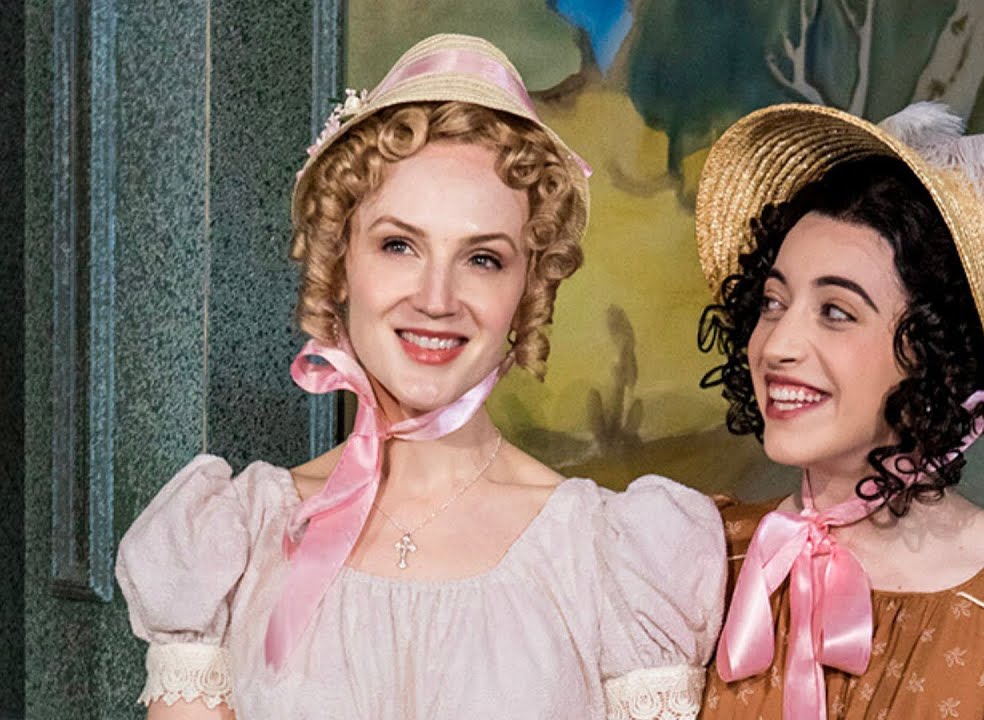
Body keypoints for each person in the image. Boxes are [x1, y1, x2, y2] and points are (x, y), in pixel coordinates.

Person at [115, 34, 725, 720]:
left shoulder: (608, 560)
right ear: (340, 262)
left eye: (483, 259)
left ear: (528, 287)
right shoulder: (233, 540)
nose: (437, 299)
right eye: (399, 245)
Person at [692, 102, 984, 719]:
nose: (778, 345)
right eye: (772, 302)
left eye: (836, 312)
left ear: (935, 351)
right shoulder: (704, 555)